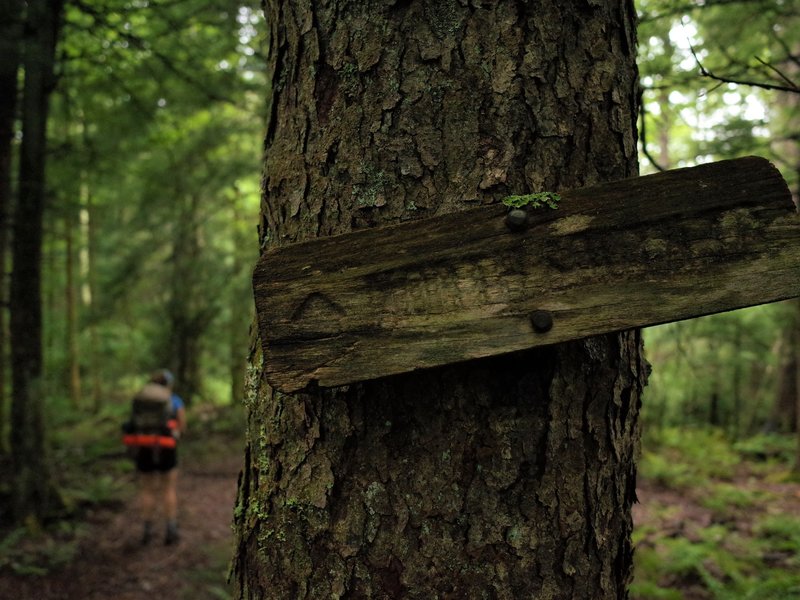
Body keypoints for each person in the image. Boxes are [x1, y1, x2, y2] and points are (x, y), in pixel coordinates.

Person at [134, 369, 186, 545]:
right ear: (168, 383)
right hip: (166, 446)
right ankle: (170, 529)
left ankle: (147, 530)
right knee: (168, 488)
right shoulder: (174, 400)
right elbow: (182, 426)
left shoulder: (142, 398)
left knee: (147, 489)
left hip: (144, 446)